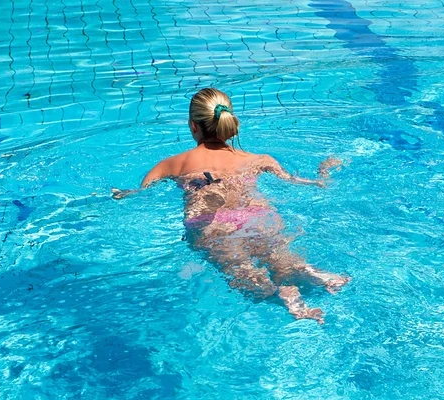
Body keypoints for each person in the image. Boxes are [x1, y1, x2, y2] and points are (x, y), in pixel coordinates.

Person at [113, 88, 349, 323]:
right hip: (257, 215)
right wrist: (324, 171)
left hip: (210, 223)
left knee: (243, 274)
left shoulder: (171, 164)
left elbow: (139, 195)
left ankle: (281, 297)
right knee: (282, 259)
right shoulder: (260, 159)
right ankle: (311, 272)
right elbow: (305, 183)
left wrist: (120, 194)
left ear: (193, 125)